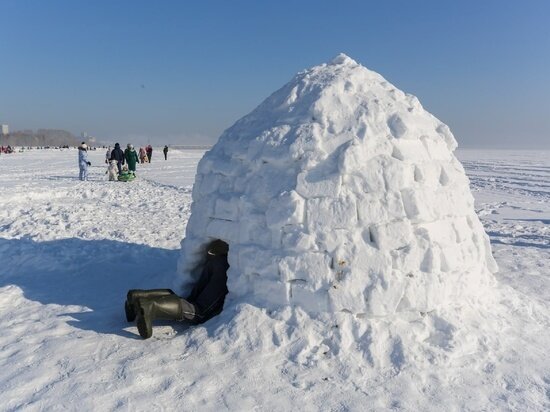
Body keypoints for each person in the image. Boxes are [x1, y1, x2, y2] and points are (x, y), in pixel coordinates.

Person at [125, 239, 229, 339]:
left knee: (191, 301)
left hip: (215, 257)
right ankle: (151, 306)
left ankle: (139, 297)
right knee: (198, 312)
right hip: (224, 262)